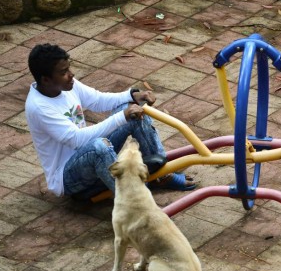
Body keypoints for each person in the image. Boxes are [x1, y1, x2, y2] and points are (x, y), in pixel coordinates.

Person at [25, 43, 196, 200]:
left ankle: (159, 176)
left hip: (87, 153)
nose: (71, 75)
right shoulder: (39, 108)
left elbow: (98, 100)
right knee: (100, 146)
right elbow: (76, 140)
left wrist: (132, 96)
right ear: (45, 79)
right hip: (68, 178)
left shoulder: (66, 85)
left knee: (130, 109)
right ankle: (135, 206)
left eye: (68, 69)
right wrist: (123, 117)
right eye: (63, 73)